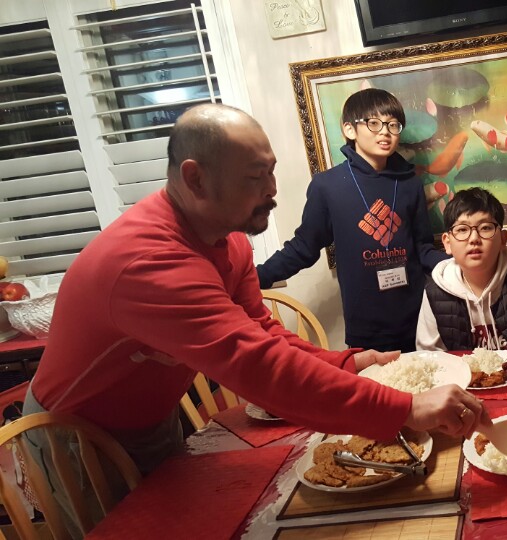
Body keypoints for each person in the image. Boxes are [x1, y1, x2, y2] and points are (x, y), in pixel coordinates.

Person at [24, 103, 483, 479]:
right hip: (79, 437)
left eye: (271, 172)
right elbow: (259, 366)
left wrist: (348, 363)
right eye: (254, 176)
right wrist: (406, 408)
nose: (272, 190)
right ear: (195, 178)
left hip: (154, 418)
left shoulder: (230, 240)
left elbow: (263, 333)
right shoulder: (148, 262)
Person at [257, 88, 446, 352]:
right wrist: (255, 277)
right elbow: (303, 248)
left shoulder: (410, 184)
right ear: (349, 129)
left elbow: (423, 249)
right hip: (367, 326)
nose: (385, 132)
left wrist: (464, 264)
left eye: (393, 125)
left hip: (418, 317)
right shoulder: (327, 186)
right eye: (374, 123)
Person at [416, 188, 507, 352]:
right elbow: (429, 356)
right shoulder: (435, 293)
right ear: (447, 243)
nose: (474, 239)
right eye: (462, 229)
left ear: (503, 238)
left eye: (485, 227)